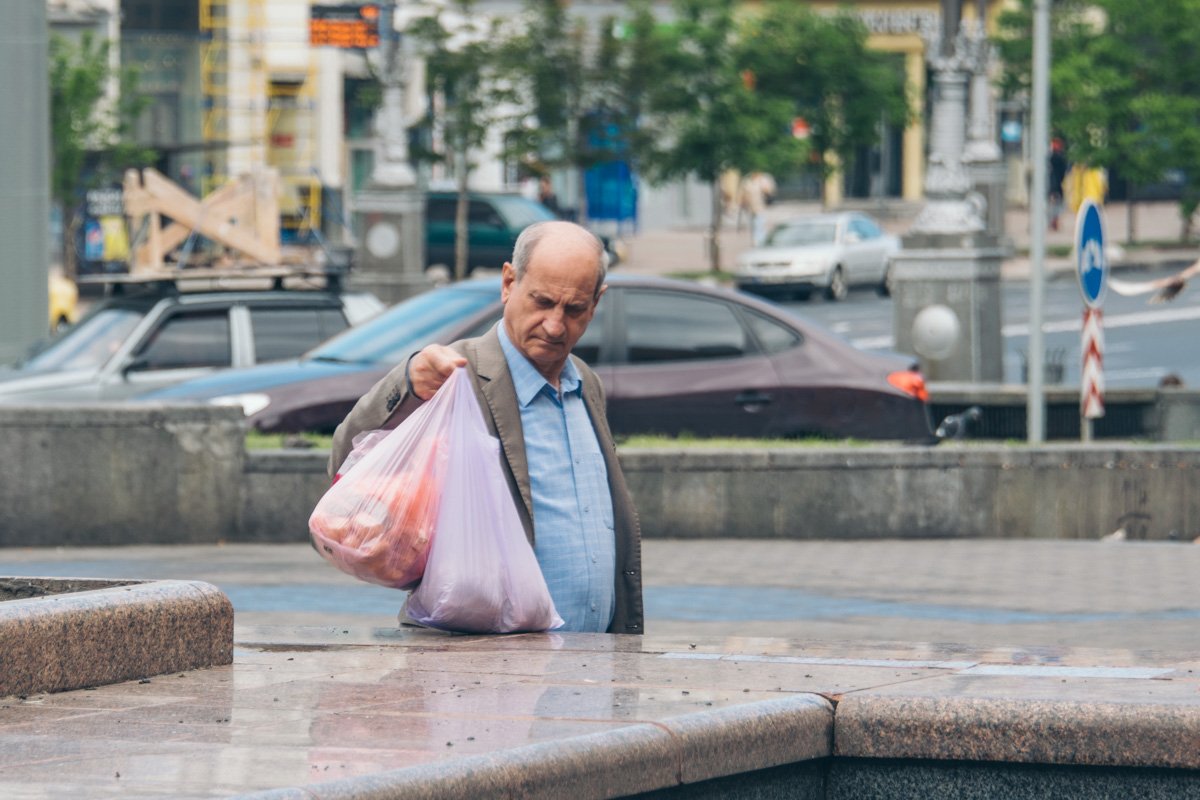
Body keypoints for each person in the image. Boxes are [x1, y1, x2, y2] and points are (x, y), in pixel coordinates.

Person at [328, 220, 643, 635]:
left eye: (574, 309)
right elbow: (345, 465)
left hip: (595, 668)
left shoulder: (585, 383)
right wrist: (406, 386)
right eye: (542, 301)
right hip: (488, 668)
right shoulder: (456, 375)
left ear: (596, 303)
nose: (554, 325)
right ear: (509, 282)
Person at [739, 171, 776, 246]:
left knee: (760, 224)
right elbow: (743, 194)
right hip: (750, 207)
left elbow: (770, 191)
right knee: (753, 224)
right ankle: (756, 240)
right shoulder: (747, 181)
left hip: (760, 206)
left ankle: (760, 241)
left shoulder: (763, 180)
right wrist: (743, 203)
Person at [1047, 138, 1068, 230]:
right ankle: (1054, 221)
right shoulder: (1059, 158)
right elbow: (1063, 171)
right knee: (1056, 205)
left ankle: (1053, 221)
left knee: (1054, 205)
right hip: (1055, 185)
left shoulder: (1051, 158)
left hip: (1053, 185)